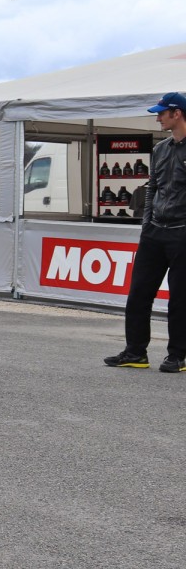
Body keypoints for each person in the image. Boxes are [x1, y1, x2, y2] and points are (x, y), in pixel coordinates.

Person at [105, 92, 186, 373]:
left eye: (162, 112)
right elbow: (152, 187)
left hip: (182, 233)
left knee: (180, 297)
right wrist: (147, 224)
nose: (158, 117)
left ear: (177, 114)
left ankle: (178, 355)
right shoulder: (161, 148)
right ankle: (135, 352)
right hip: (154, 232)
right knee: (138, 293)